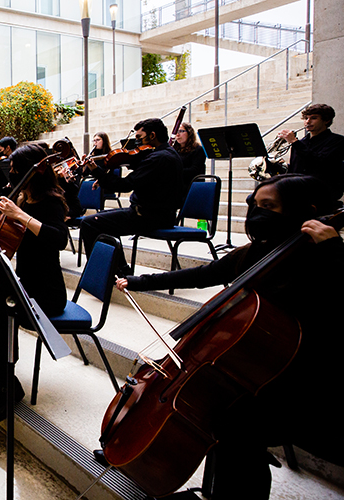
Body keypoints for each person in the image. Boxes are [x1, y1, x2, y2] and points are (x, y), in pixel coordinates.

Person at [114, 174, 343, 500]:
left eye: (269, 206)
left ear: (303, 210)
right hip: (251, 373)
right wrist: (139, 281)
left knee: (234, 427)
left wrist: (333, 249)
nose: (257, 214)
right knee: (225, 419)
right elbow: (203, 275)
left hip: (300, 384)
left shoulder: (321, 259)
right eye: (255, 205)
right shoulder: (256, 252)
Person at [0, 143, 69, 423]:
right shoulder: (27, 198)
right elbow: (10, 217)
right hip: (24, 282)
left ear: (34, 171)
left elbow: (59, 238)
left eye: (16, 169)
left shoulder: (50, 201)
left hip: (45, 292)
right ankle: (3, 366)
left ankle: (8, 385)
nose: (11, 173)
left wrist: (19, 215)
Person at [79, 118, 183, 262]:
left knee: (89, 223)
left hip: (148, 217)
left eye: (140, 138)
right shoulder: (169, 153)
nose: (137, 143)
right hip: (159, 215)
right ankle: (120, 270)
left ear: (152, 136)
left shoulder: (157, 158)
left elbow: (125, 185)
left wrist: (96, 171)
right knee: (101, 223)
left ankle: (108, 272)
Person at [279, 103, 344, 200]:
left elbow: (319, 162)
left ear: (327, 120)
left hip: (322, 190)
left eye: (313, 118)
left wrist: (294, 142)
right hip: (299, 188)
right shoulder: (301, 142)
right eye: (306, 118)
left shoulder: (337, 141)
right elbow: (295, 169)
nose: (308, 122)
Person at [172, 122, 207, 199]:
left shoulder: (198, 149)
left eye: (181, 131)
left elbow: (194, 170)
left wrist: (174, 171)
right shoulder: (173, 150)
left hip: (191, 185)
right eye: (176, 132)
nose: (177, 135)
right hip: (178, 184)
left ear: (189, 133)